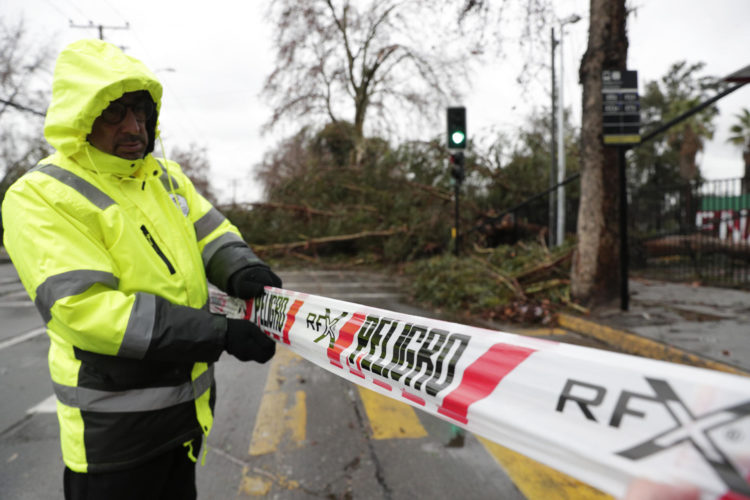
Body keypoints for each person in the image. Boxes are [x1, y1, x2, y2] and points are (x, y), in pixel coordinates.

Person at [1, 39, 281, 500]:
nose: (135, 127)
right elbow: (85, 310)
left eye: (141, 112)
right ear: (81, 117)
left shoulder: (165, 178)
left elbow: (212, 233)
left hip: (185, 420)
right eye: (116, 113)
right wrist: (218, 333)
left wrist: (244, 270)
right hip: (116, 438)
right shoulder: (42, 195)